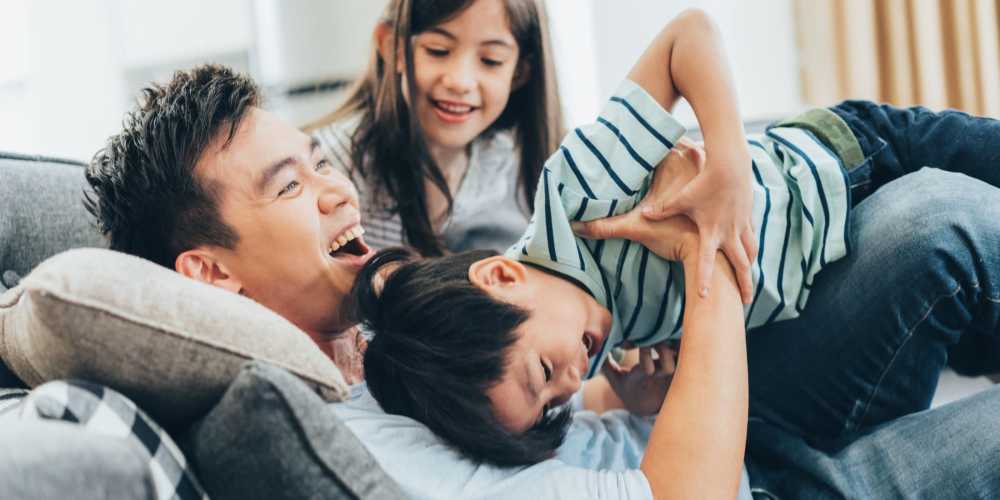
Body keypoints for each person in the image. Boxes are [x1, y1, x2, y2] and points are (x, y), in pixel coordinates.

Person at [85, 13, 1000, 499]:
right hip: (741, 479)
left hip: (714, 403)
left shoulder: (367, 344)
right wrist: (704, 260)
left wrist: (611, 387)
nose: (336, 192)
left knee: (934, 221)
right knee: (944, 217)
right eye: (290, 187)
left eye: (321, 164)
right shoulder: (338, 439)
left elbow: (542, 404)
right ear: (209, 273)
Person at [306, 0, 563, 256]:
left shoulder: (507, 160)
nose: (460, 82)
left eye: (491, 60)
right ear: (392, 47)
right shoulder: (331, 167)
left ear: (519, 72)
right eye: (438, 51)